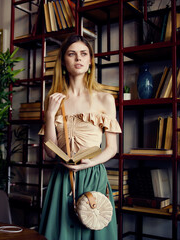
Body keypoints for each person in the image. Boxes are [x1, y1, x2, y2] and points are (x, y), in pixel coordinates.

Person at [38, 35, 121, 240]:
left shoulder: (105, 98)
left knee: (93, 230)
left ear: (90, 61)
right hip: (62, 178)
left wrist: (89, 163)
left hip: (93, 174)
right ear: (64, 62)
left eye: (84, 54)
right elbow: (49, 151)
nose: (78, 59)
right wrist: (50, 115)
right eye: (72, 54)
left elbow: (112, 148)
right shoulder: (54, 99)